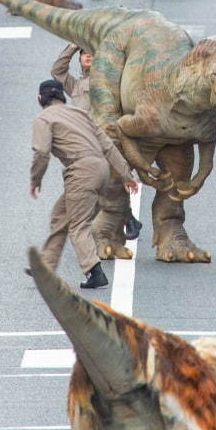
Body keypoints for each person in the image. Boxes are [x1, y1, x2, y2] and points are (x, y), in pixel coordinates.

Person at [30, 80, 134, 290]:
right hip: (102, 169)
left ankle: (94, 271)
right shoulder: (80, 113)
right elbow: (107, 145)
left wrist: (36, 180)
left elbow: (41, 152)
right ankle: (45, 267)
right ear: (62, 96)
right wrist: (126, 174)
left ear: (40, 99)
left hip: (81, 170)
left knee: (79, 224)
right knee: (61, 215)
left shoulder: (44, 118)